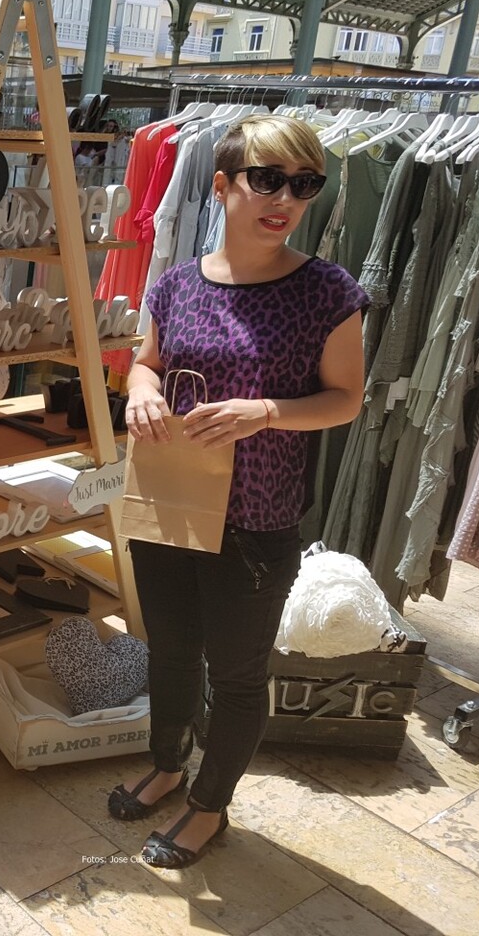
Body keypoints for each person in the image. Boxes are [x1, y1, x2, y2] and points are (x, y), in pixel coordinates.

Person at [109, 115, 367, 868]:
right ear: (221, 186)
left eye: (304, 184)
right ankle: (166, 765)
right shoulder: (178, 284)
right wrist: (141, 391)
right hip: (171, 501)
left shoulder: (327, 291)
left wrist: (267, 412)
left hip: (256, 518)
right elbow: (147, 361)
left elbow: (346, 398)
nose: (285, 198)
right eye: (267, 179)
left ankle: (209, 806)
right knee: (170, 651)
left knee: (236, 672)